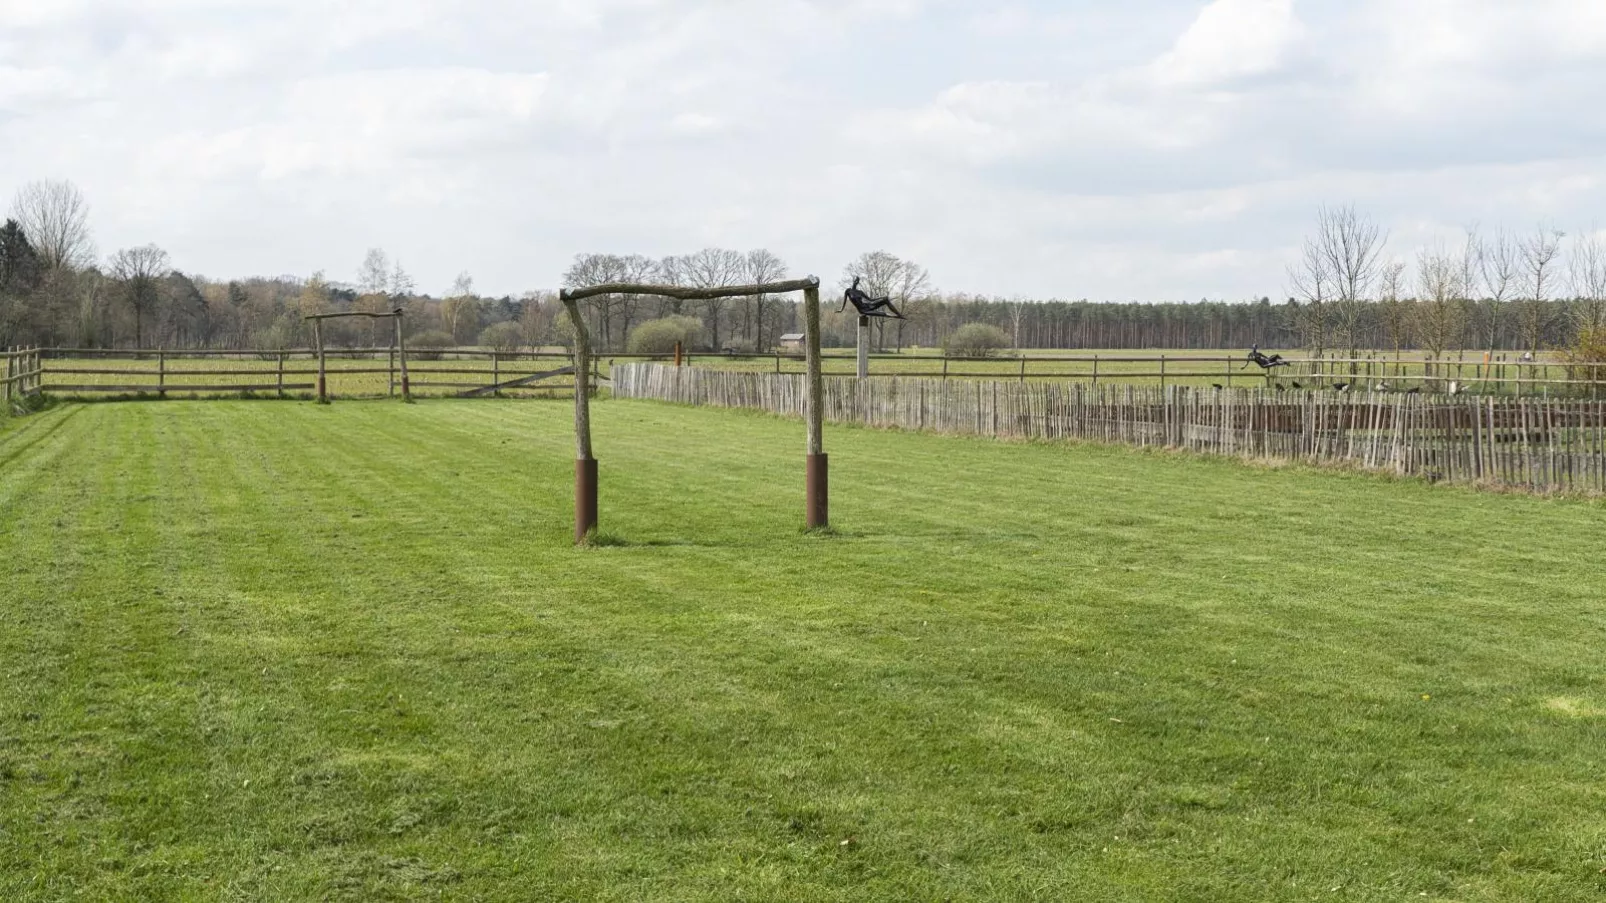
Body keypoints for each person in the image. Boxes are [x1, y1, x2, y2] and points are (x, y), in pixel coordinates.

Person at [841, 276, 905, 319]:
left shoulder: (860, 292)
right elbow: (844, 301)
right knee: (882, 314)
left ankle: (899, 314)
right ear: (853, 281)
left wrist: (881, 297)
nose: (856, 282)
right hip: (863, 310)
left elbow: (870, 299)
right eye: (856, 280)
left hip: (868, 306)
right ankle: (896, 316)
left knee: (885, 299)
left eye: (858, 281)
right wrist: (841, 310)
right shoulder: (848, 291)